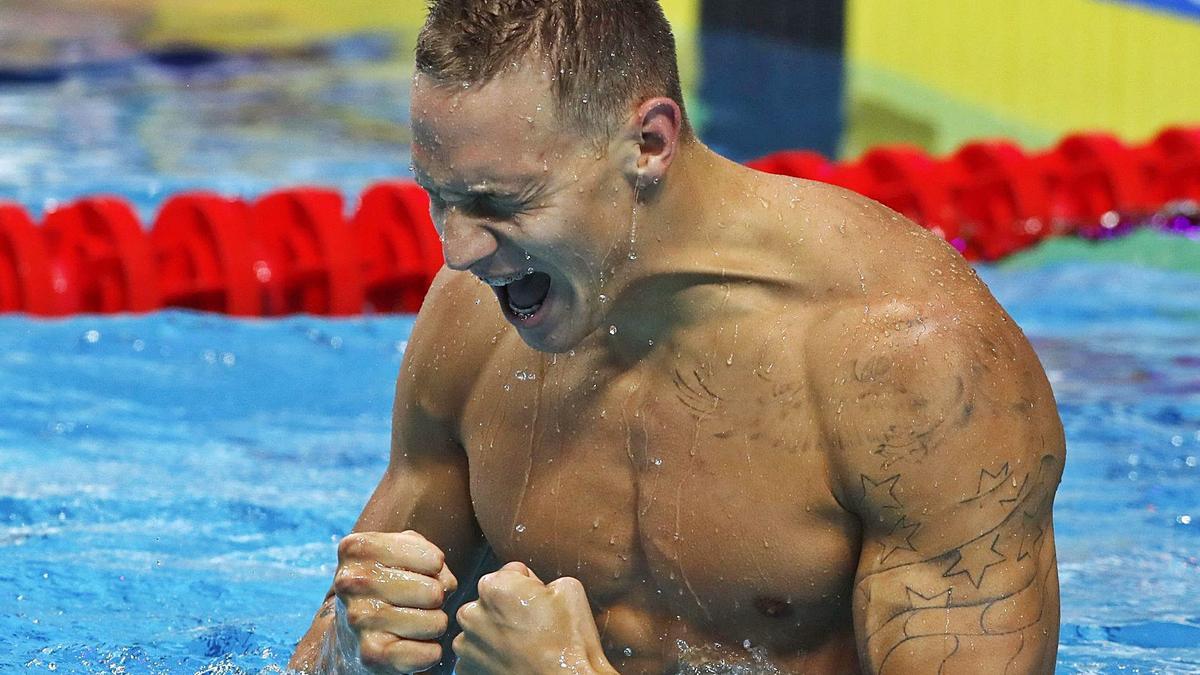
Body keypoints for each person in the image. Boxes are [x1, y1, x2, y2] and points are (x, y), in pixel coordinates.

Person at [289, 0, 1064, 672]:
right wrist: (353, 655)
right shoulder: (472, 319)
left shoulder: (916, 370)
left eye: (499, 201)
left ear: (650, 145)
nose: (457, 250)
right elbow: (329, 648)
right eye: (440, 198)